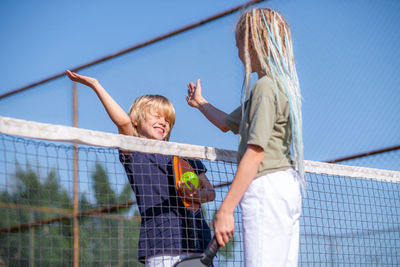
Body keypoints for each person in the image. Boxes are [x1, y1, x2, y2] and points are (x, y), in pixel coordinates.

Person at [186, 8, 304, 267]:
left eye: (238, 44)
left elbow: (255, 152)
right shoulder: (279, 87)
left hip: (266, 187)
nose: (238, 52)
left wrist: (226, 208)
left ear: (251, 42)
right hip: (287, 187)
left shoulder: (263, 88)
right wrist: (200, 103)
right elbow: (227, 123)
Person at [65, 70, 216, 266]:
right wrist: (95, 84)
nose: (163, 122)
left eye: (168, 120)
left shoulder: (185, 155)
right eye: (157, 116)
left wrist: (195, 195)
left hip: (199, 243)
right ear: (137, 120)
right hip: (161, 246)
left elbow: (210, 192)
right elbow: (123, 122)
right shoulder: (135, 153)